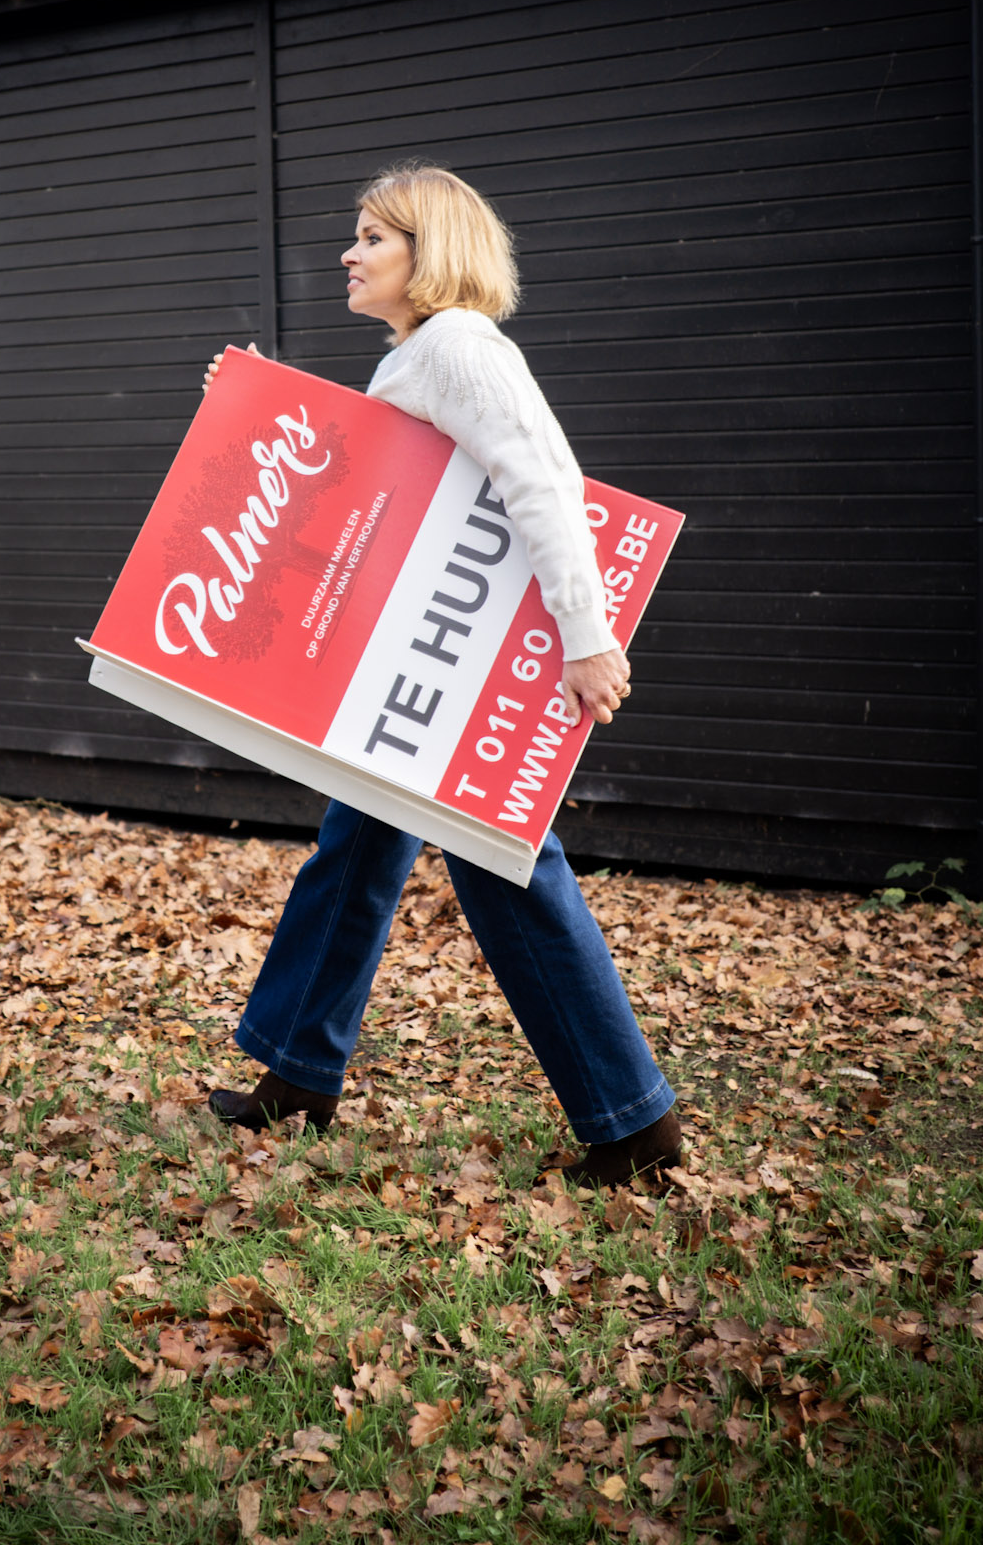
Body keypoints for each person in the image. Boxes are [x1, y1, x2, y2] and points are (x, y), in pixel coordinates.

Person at [202, 164, 680, 1188]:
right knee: (356, 846)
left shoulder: (458, 345)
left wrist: (586, 635)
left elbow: (542, 477)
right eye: (357, 234)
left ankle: (633, 1118)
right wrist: (246, 409)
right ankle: (298, 1070)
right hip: (420, 658)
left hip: (466, 657)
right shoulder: (418, 357)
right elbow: (361, 476)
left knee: (504, 863)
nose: (350, 251)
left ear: (431, 252)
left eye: (374, 235)